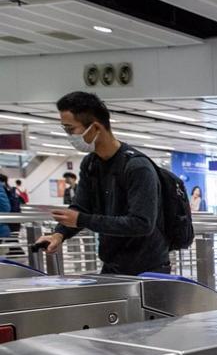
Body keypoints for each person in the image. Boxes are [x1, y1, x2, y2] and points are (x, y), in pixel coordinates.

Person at [35, 91, 170, 275]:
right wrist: (59, 234)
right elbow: (82, 207)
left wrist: (81, 220)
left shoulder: (137, 167)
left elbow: (141, 223)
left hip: (148, 270)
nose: (68, 135)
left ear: (95, 128)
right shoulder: (91, 164)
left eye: (70, 129)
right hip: (112, 265)